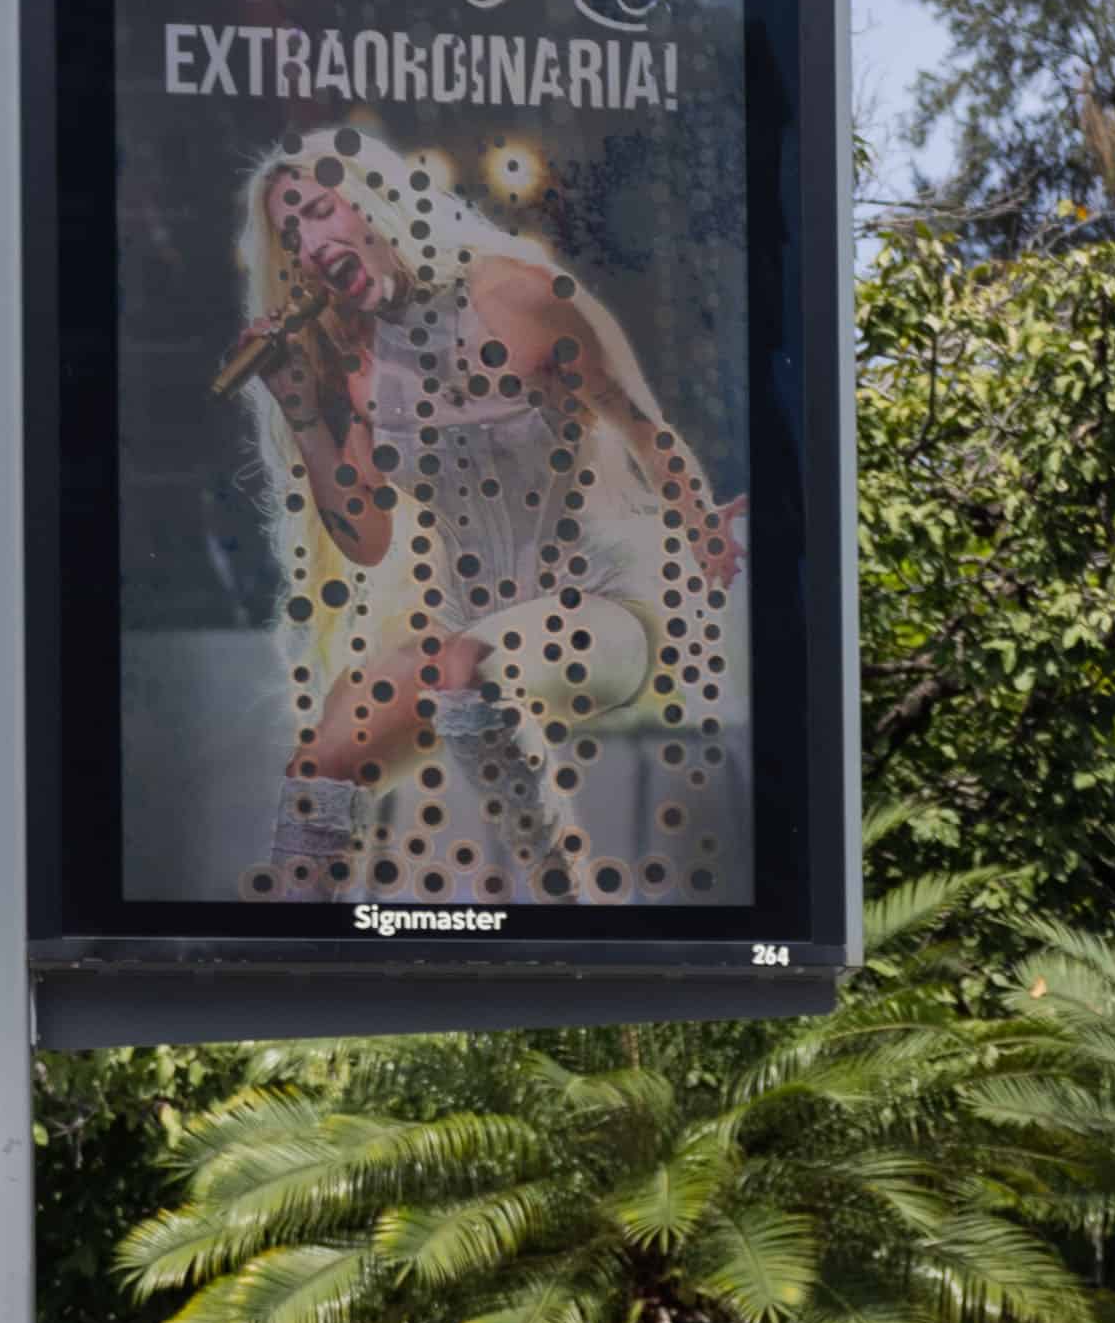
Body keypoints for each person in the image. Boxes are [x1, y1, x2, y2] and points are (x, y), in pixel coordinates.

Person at [214, 124, 749, 905]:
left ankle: (570, 909)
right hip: (471, 616)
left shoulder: (522, 294)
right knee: (324, 751)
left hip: (606, 597)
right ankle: (294, 954)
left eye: (317, 210)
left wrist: (702, 527)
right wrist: (301, 410)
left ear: (375, 204)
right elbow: (365, 539)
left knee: (469, 669)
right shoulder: (353, 361)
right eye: (289, 230)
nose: (306, 238)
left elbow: (643, 425)